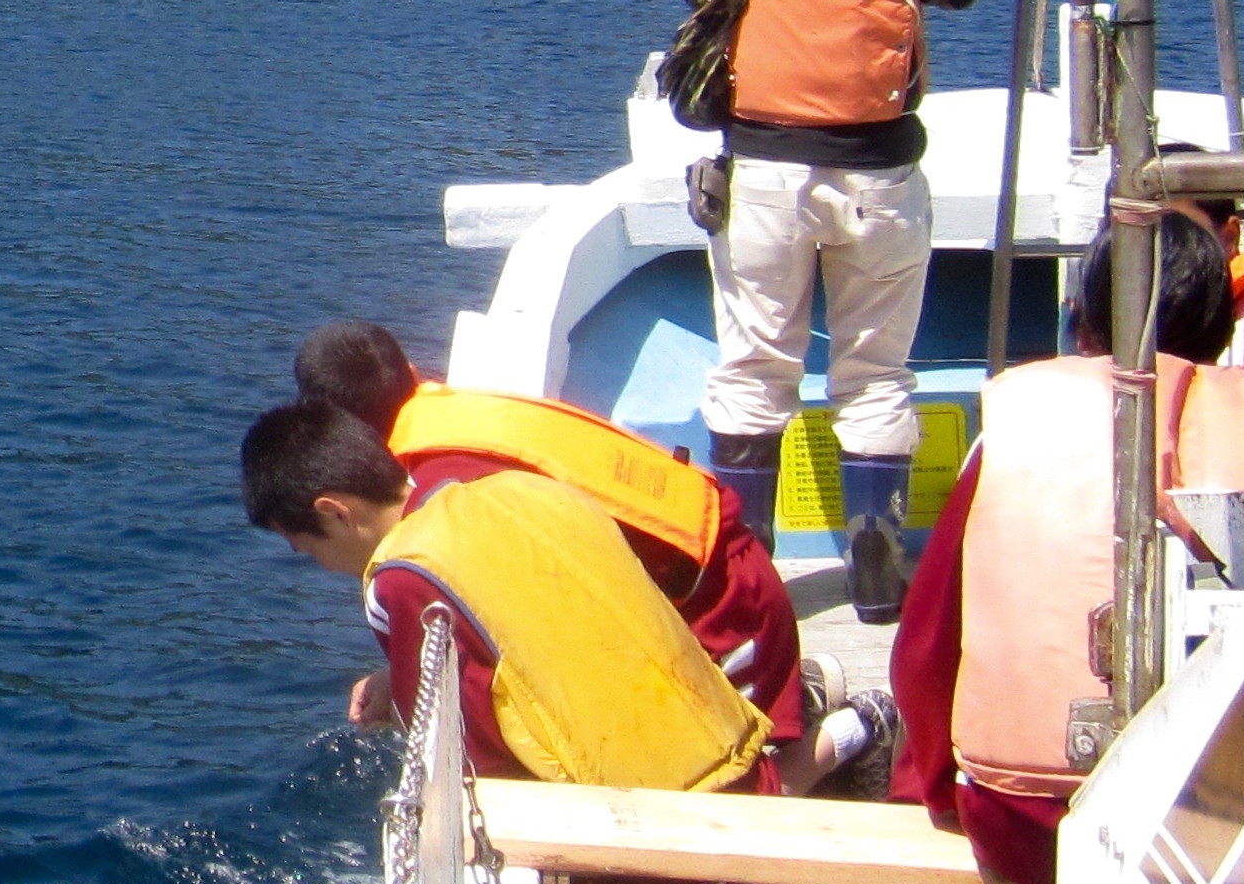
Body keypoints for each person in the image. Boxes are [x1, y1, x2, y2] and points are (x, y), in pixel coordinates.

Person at [243, 395, 795, 884]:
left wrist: (404, 697)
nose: (322, 566)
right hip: (759, 840)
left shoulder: (401, 578)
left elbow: (466, 752)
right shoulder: (526, 491)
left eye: (309, 549)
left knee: (543, 855)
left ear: (335, 512)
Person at [887, 209, 1244, 884]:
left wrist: (937, 789)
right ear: (1223, 330)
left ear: (1083, 320)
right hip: (1240, 828)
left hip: (1029, 817)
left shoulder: (1016, 421)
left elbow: (927, 645)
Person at [674, 0, 997, 622]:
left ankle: (750, 574)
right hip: (879, 163)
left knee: (751, 371)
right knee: (877, 376)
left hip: (764, 162)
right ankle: (877, 564)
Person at [289, 319, 893, 793]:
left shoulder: (445, 490)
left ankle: (857, 730)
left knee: (712, 793)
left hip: (719, 605)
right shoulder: (446, 412)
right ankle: (798, 696)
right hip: (725, 564)